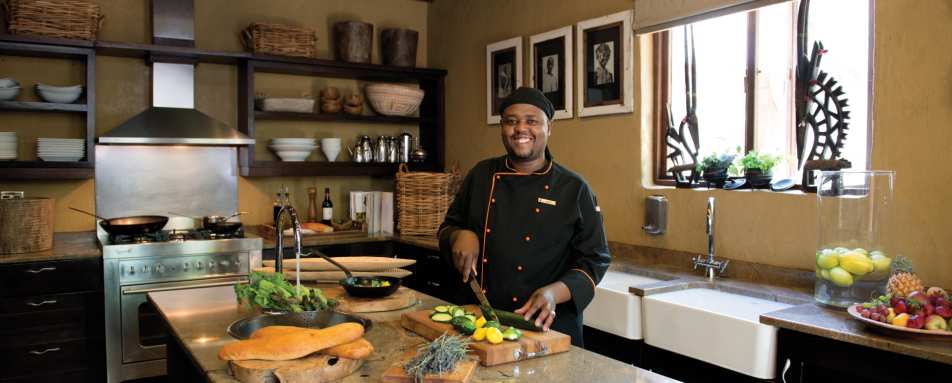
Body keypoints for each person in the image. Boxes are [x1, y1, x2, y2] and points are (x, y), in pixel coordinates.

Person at [438, 87, 611, 346]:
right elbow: (447, 228)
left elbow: (595, 260)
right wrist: (459, 235)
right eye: (511, 121)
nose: (520, 129)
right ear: (502, 128)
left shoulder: (574, 188)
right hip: (480, 323)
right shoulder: (481, 175)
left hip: (547, 327)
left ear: (549, 127)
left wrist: (555, 292)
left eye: (532, 121)